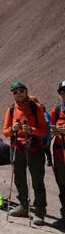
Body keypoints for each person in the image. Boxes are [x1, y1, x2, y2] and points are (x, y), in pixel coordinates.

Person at [2, 81, 47, 226]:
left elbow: (44, 130)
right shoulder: (10, 110)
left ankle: (39, 212)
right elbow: (5, 132)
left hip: (35, 148)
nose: (19, 94)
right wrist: (12, 130)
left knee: (37, 181)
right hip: (17, 147)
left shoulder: (36, 107)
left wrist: (31, 130)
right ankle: (23, 206)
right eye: (15, 92)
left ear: (26, 91)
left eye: (21, 91)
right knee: (20, 179)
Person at [50, 80, 65, 226]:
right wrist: (53, 131)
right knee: (62, 184)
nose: (64, 94)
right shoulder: (57, 110)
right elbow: (52, 128)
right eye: (62, 92)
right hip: (60, 154)